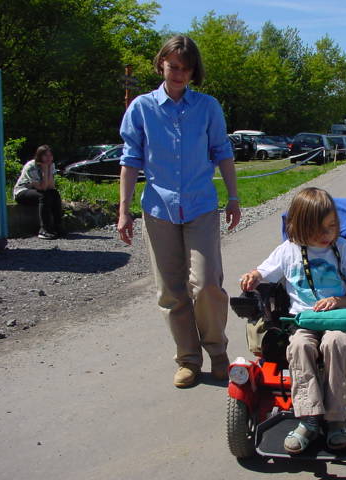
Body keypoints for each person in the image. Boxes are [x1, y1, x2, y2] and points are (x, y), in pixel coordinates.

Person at [117, 35, 241, 388]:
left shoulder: (207, 107)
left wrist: (233, 197)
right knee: (171, 291)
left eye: (186, 68)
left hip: (201, 206)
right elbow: (130, 160)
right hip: (159, 209)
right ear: (161, 64)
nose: (179, 74)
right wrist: (124, 210)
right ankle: (188, 359)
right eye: (173, 66)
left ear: (193, 71)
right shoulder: (141, 108)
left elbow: (222, 152)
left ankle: (217, 351)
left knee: (206, 284)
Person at [240, 187, 346, 454]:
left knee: (335, 343)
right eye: (319, 229)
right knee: (299, 346)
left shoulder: (342, 248)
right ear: (299, 227)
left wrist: (338, 301)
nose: (327, 235)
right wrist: (253, 276)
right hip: (303, 321)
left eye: (332, 227)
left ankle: (336, 419)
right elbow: (263, 272)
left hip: (338, 319)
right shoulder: (288, 251)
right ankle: (309, 418)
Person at [13, 145, 64, 240]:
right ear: (39, 156)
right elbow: (43, 187)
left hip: (38, 191)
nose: (48, 158)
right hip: (22, 191)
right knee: (44, 196)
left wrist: (48, 169)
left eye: (50, 155)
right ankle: (44, 230)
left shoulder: (51, 165)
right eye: (45, 155)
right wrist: (44, 169)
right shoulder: (31, 166)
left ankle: (58, 226)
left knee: (55, 194)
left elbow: (51, 187)